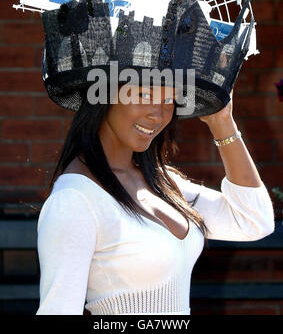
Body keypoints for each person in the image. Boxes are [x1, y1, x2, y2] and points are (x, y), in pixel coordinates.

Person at [35, 81, 275, 315]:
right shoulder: (74, 200)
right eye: (144, 95)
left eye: (169, 99)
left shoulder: (164, 183)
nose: (158, 114)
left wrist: (221, 121)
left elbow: (254, 221)